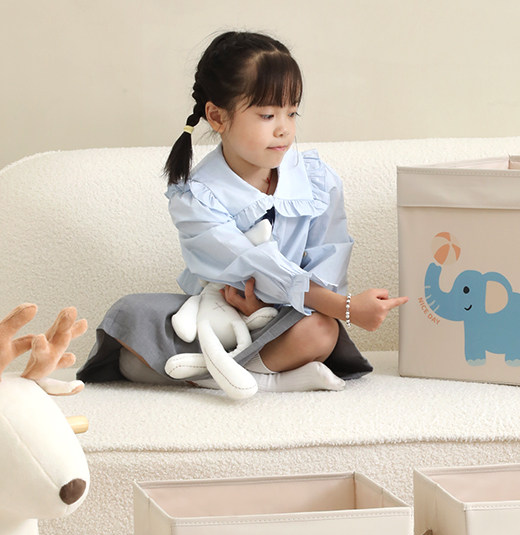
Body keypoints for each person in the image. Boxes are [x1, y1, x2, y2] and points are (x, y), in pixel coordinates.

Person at [78, 31, 407, 393]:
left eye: (291, 112)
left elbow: (330, 257)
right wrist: (346, 307)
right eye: (267, 114)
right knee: (129, 315)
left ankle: (214, 374)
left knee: (321, 331)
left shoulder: (316, 179)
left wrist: (322, 306)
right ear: (217, 116)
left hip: (291, 315)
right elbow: (252, 264)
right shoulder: (196, 196)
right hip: (220, 312)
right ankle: (265, 379)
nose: (284, 129)